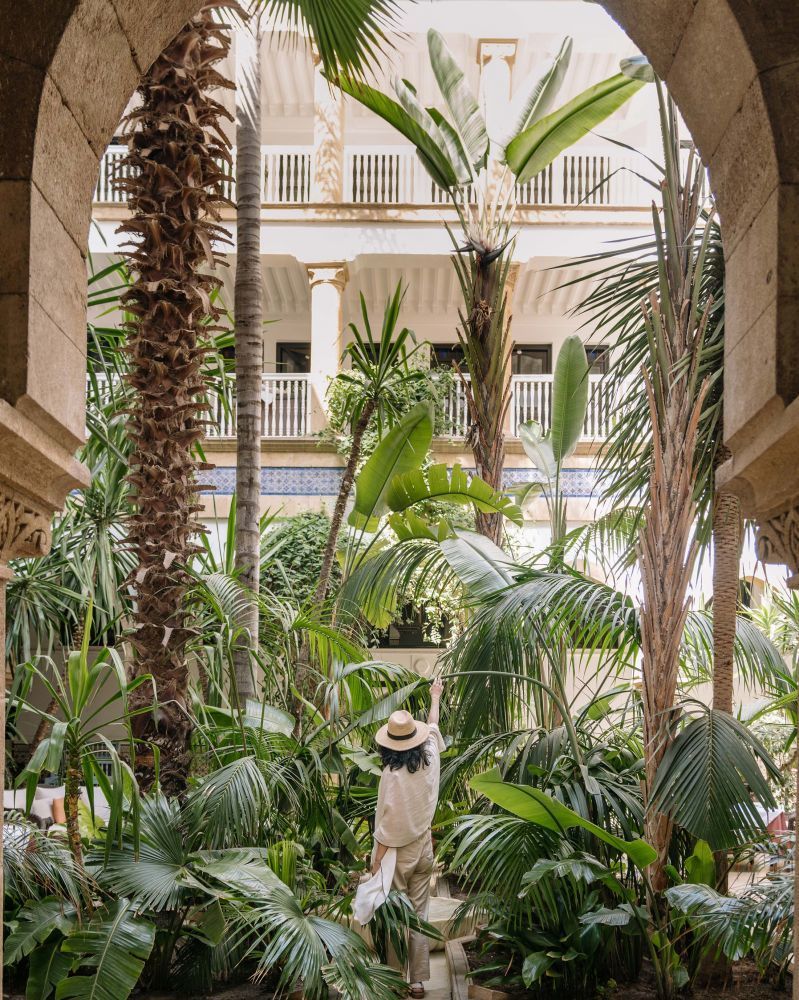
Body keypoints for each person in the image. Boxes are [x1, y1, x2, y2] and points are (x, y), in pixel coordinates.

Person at [372, 678, 445, 999]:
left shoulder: (391, 776)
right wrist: (435, 696)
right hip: (424, 850)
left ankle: (393, 978)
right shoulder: (430, 757)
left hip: (395, 855)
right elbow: (432, 726)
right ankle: (417, 982)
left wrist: (375, 863)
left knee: (394, 917)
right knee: (418, 914)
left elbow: (386, 824)